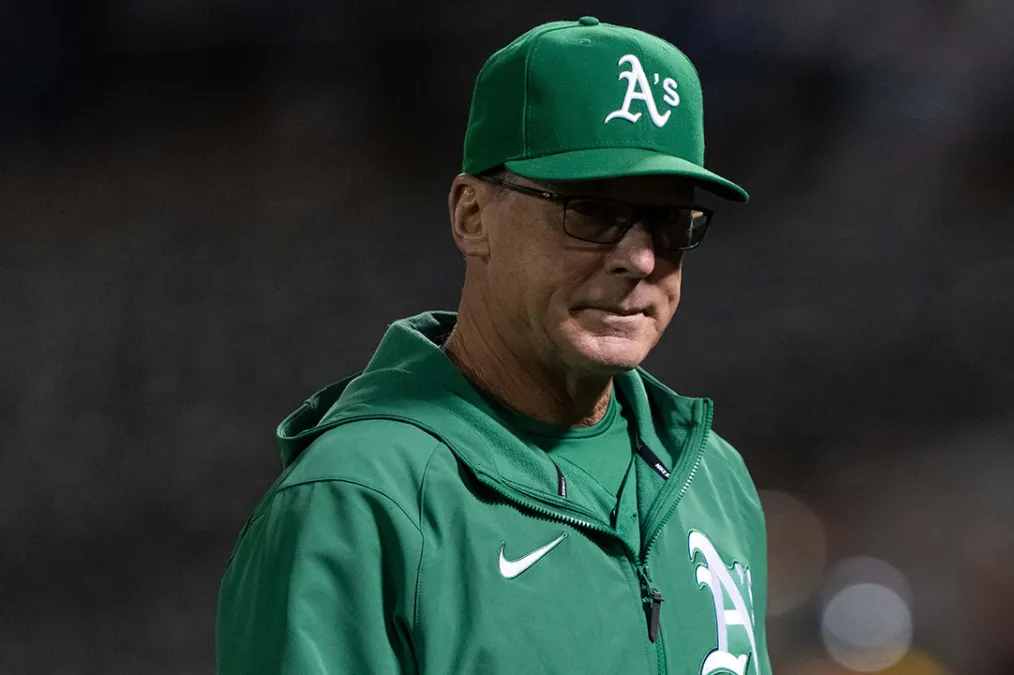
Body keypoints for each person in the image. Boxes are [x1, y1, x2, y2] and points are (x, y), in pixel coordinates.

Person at [216, 16, 771, 675]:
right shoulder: (356, 503)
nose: (642, 257)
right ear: (471, 216)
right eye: (590, 211)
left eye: (670, 220)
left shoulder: (713, 478)